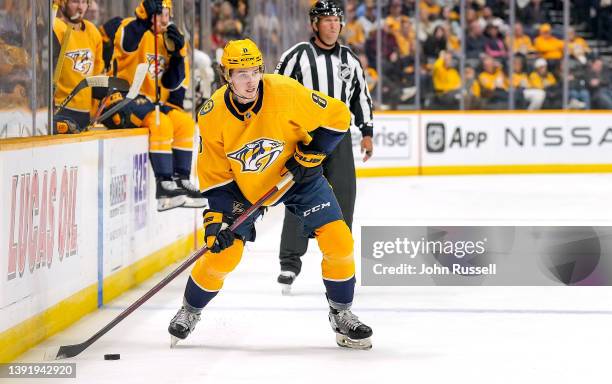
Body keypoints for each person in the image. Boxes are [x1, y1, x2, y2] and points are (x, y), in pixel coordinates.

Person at [167, 39, 373, 350]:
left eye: (255, 71)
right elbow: (215, 177)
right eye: (242, 74)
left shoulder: (285, 91)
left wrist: (313, 154)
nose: (251, 81)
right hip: (245, 189)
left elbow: (339, 116)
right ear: (227, 75)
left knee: (339, 240)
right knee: (223, 254)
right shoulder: (211, 115)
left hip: (299, 178)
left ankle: (341, 313)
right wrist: (217, 222)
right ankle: (190, 310)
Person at [273, 0, 374, 293]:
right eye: (326, 19)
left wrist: (367, 131)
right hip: (304, 137)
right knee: (299, 195)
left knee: (344, 197)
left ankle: (341, 260)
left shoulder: (350, 60)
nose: (332, 24)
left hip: (339, 139)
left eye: (336, 20)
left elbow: (361, 98)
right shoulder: (296, 56)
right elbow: (277, 93)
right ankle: (290, 263)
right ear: (314, 24)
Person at [110, 0, 205, 211]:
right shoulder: (131, 27)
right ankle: (164, 184)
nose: (165, 19)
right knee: (161, 123)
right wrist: (143, 19)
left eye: (168, 14)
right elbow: (126, 44)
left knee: (185, 123)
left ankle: (180, 179)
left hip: (152, 103)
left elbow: (171, 83)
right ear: (149, 12)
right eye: (160, 13)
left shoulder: (168, 38)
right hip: (122, 98)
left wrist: (178, 54)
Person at [52, 0, 104, 134]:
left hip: (85, 114)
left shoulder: (93, 32)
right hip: (59, 110)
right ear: (63, 3)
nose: (80, 7)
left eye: (84, 2)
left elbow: (97, 75)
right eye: (75, 1)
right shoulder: (56, 27)